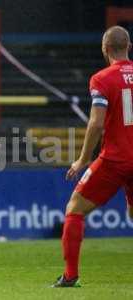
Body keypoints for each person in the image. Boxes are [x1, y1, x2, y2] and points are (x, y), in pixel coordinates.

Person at [52, 26, 133, 288]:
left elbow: (96, 124)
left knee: (74, 209)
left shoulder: (101, 79)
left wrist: (83, 158)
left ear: (104, 49)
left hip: (115, 160)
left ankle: (70, 275)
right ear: (128, 46)